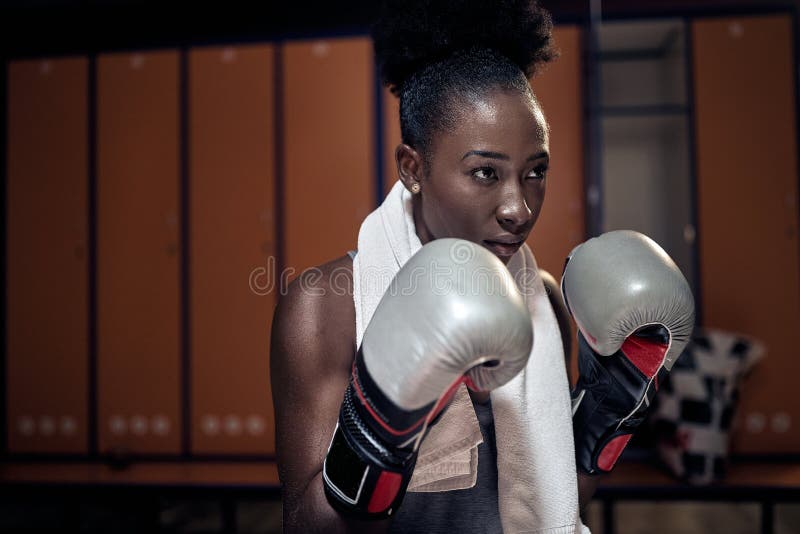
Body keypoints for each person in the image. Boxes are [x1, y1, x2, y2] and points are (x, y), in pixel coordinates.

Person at [270, 1, 695, 532]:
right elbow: (304, 525)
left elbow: (553, 496)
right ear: (413, 168)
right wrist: (378, 430)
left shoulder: (541, 302)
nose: (518, 208)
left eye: (535, 171)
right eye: (486, 173)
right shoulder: (327, 306)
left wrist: (607, 413)